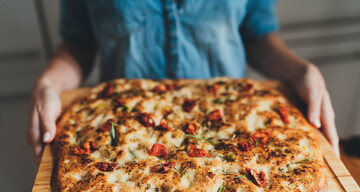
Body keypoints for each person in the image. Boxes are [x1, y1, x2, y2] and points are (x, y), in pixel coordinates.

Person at [26, 0, 339, 165]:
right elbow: (78, 44)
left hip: (236, 137)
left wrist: (301, 72)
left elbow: (256, 33)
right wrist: (49, 84)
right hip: (118, 141)